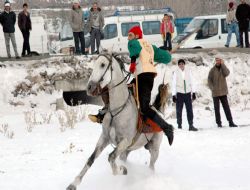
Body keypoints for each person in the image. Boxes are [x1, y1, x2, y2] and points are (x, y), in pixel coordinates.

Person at [89, 26, 174, 146]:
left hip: (143, 77)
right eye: (128, 35)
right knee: (124, 93)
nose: (128, 38)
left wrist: (133, 62)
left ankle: (167, 128)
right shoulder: (150, 47)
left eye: (130, 35)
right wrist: (166, 53)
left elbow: (134, 49)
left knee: (144, 107)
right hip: (144, 77)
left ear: (137, 35)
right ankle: (104, 113)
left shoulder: (134, 42)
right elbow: (167, 57)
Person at [208, 57, 237, 128]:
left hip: (223, 92)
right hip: (215, 93)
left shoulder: (223, 68)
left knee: (226, 108)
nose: (218, 61)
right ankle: (219, 123)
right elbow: (209, 79)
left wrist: (223, 65)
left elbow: (227, 73)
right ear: (215, 61)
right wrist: (212, 88)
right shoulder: (212, 70)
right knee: (217, 109)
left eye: (219, 60)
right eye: (217, 60)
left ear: (221, 61)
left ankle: (231, 122)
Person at [172, 59, 198, 131]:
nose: (181, 65)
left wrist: (194, 92)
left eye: (182, 64)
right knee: (179, 110)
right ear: (178, 65)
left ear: (184, 64)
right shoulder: (176, 72)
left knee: (189, 110)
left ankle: (191, 125)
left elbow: (192, 81)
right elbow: (174, 84)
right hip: (180, 94)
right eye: (179, 64)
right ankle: (179, 125)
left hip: (188, 93)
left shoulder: (188, 71)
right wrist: (173, 95)